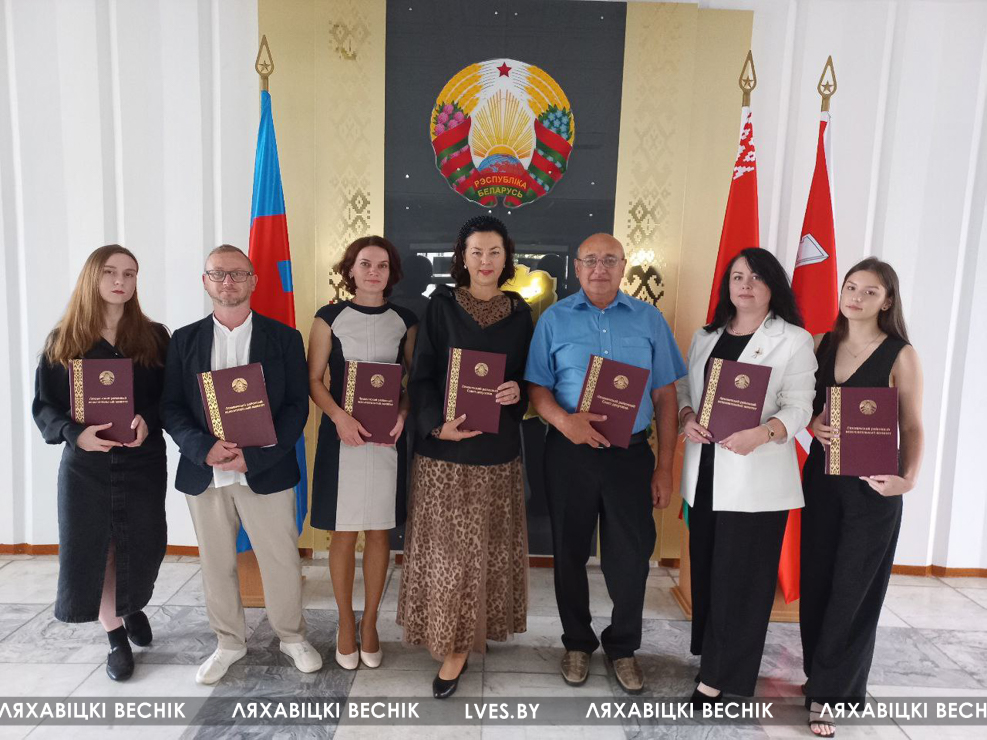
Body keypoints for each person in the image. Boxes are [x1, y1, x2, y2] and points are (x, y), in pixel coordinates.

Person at [526, 233, 686, 694]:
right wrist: (565, 422)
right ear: (576, 268)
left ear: (623, 267)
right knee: (569, 552)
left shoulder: (649, 319)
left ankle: (623, 646)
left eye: (610, 260)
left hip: (630, 456)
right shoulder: (553, 319)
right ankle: (577, 642)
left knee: (631, 557)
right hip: (568, 453)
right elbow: (537, 387)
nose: (600, 268)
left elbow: (666, 396)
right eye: (591, 260)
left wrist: (664, 467)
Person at [161, 244, 321, 685]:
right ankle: (229, 642)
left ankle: (291, 637)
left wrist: (257, 456)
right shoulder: (184, 340)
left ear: (253, 280)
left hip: (265, 471)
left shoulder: (284, 338)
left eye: (237, 273)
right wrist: (202, 448)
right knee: (216, 564)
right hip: (206, 473)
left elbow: (296, 407)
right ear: (205, 281)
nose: (227, 281)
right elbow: (171, 406)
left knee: (281, 560)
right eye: (218, 273)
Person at [397, 215, 533, 699]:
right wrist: (437, 425)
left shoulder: (521, 312)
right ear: (462, 257)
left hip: (496, 452)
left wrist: (517, 392)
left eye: (494, 252)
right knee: (448, 555)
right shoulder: (441, 305)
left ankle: (469, 637)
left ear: (506, 256)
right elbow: (422, 376)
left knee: (486, 552)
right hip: (445, 451)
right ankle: (451, 642)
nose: (485, 261)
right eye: (476, 252)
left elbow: (528, 379)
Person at [677, 247, 817, 706]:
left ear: (773, 285)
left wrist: (764, 432)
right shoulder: (706, 335)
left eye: (756, 277)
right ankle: (712, 658)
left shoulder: (793, 339)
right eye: (738, 276)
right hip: (706, 473)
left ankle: (721, 678)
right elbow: (686, 388)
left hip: (757, 481)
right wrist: (686, 416)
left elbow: (800, 406)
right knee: (710, 572)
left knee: (741, 581)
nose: (746, 285)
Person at [32, 244, 169, 681]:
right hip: (86, 469)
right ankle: (115, 637)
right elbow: (45, 406)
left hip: (142, 462)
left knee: (144, 544)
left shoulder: (154, 337)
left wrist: (148, 420)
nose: (120, 281)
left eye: (130, 273)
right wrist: (75, 434)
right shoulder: (64, 340)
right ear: (92, 277)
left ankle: (131, 606)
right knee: (96, 548)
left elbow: (171, 398)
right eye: (110, 272)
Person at [799, 258, 924, 737]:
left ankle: (830, 694)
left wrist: (907, 479)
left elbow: (912, 425)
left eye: (870, 291)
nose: (856, 297)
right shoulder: (821, 344)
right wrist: (811, 425)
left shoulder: (900, 354)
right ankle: (819, 675)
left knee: (854, 591)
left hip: (873, 489)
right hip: (821, 481)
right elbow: (801, 408)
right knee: (818, 582)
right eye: (850, 287)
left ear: (887, 301)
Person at [308, 236, 418, 670]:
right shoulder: (329, 318)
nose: (374, 272)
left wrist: (404, 414)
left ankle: (369, 623)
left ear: (392, 273)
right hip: (343, 439)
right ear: (350, 269)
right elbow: (314, 380)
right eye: (365, 264)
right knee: (343, 532)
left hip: (387, 441)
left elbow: (413, 383)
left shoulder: (405, 321)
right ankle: (344, 623)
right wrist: (339, 417)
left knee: (379, 532)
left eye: (383, 265)